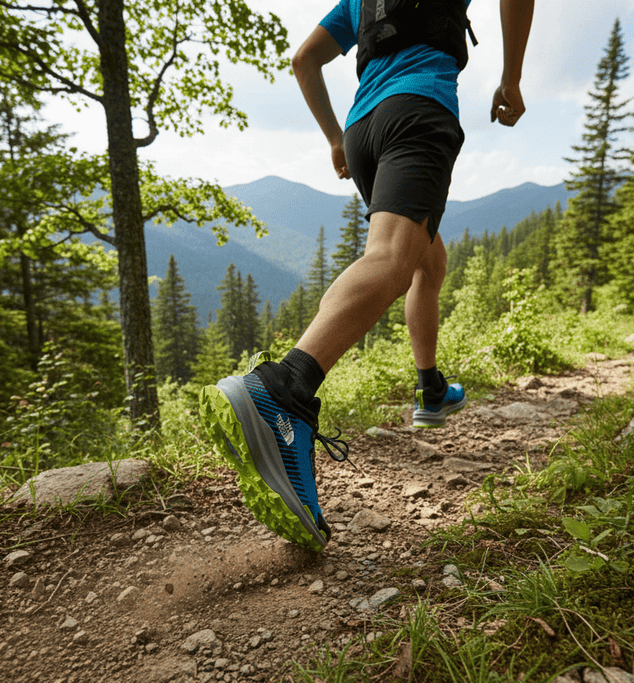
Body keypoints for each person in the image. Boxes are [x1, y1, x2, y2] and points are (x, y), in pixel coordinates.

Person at [199, 0, 534, 552]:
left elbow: (305, 59)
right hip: (418, 110)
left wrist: (334, 139)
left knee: (429, 257)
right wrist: (511, 78)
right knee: (394, 257)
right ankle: (286, 389)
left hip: (362, 130)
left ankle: (430, 389)